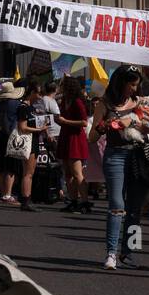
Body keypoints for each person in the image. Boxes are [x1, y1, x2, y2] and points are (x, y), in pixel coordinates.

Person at [91, 66, 146, 269]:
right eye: (131, 85)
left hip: (137, 156)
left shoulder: (139, 102)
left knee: (135, 207)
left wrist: (144, 122)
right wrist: (105, 125)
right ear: (120, 83)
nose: (134, 89)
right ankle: (111, 253)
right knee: (116, 205)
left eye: (136, 85)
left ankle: (130, 252)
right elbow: (92, 137)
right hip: (115, 155)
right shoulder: (105, 104)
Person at [4, 82, 47, 212]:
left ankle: (26, 199)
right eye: (38, 93)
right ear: (32, 92)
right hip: (27, 141)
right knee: (28, 173)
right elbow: (22, 127)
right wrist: (39, 129)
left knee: (30, 172)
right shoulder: (24, 107)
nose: (40, 96)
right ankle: (26, 200)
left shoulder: (31, 108)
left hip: (33, 140)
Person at [55, 76, 92, 213]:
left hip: (75, 138)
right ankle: (73, 200)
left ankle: (85, 201)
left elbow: (84, 122)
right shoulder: (65, 100)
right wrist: (59, 120)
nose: (60, 87)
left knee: (77, 173)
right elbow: (64, 119)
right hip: (66, 136)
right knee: (67, 173)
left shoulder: (77, 101)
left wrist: (65, 121)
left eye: (62, 85)